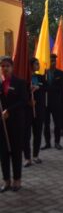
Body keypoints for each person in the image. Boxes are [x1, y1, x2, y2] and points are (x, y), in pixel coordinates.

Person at [0, 56, 28, 192]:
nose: (5, 68)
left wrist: (9, 111)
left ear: (12, 67)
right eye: (2, 66)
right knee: (3, 154)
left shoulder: (19, 83)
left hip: (16, 123)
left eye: (7, 66)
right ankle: (6, 181)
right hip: (2, 125)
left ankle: (17, 180)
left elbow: (24, 101)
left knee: (16, 152)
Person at [23, 58, 46, 167]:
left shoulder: (40, 77)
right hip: (27, 110)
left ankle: (35, 155)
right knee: (26, 135)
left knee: (37, 133)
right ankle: (27, 158)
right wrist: (28, 96)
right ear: (31, 65)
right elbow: (21, 93)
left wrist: (38, 87)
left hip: (39, 109)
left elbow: (46, 88)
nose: (38, 65)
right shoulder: (25, 79)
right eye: (36, 64)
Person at [42, 54, 63, 151]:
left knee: (57, 123)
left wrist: (48, 88)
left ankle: (57, 142)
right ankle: (47, 143)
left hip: (56, 102)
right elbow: (42, 86)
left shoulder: (60, 73)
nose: (53, 63)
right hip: (46, 102)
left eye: (54, 61)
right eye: (51, 61)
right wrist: (46, 88)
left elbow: (60, 87)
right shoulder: (44, 74)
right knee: (46, 124)